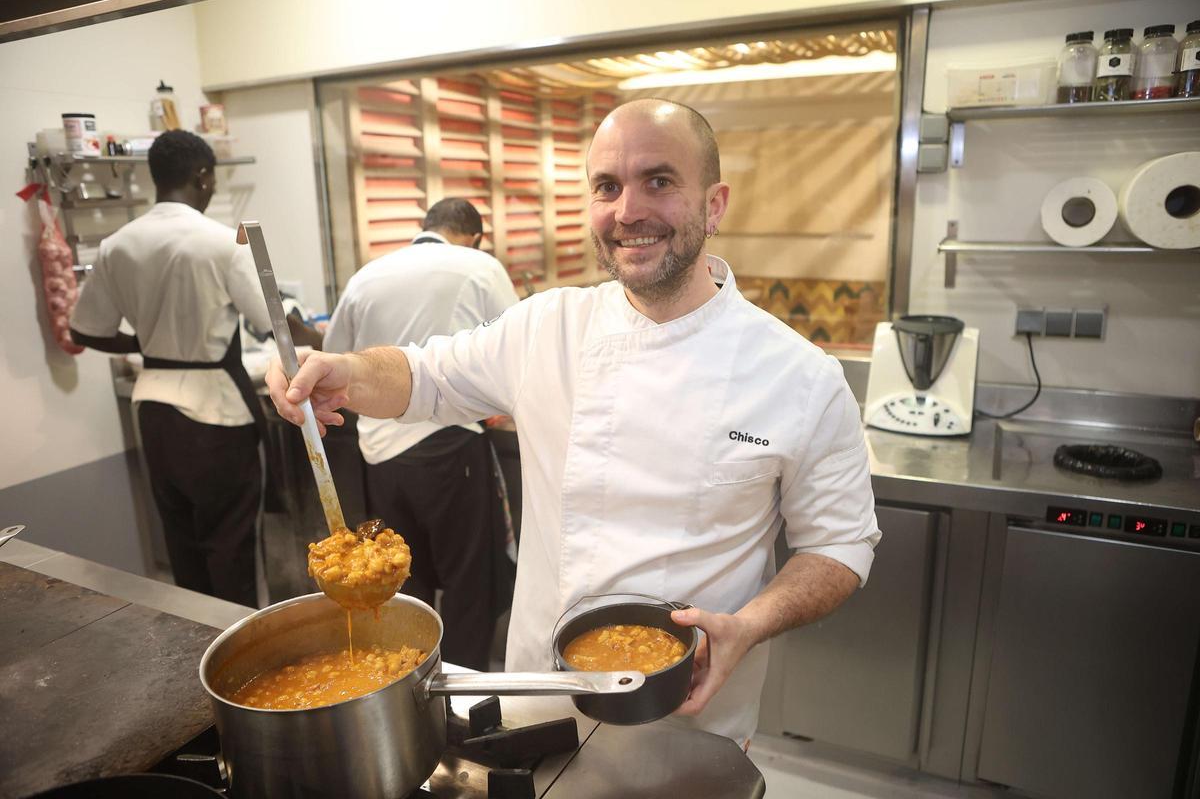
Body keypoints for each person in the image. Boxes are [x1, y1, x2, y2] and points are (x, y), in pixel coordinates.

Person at [267, 99, 881, 746]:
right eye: (607, 187)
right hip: (540, 701)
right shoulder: (547, 327)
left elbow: (838, 545)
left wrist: (751, 624)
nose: (628, 212)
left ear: (715, 204)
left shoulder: (800, 376)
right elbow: (425, 376)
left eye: (660, 182)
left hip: (692, 716)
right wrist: (344, 371)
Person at [70, 130, 270, 607]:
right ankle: (242, 670)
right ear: (203, 177)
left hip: (154, 409)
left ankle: (195, 662)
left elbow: (84, 331)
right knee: (231, 550)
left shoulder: (117, 245)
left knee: (184, 549)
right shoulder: (225, 242)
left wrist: (142, 341)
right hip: (216, 415)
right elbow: (272, 325)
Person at [321, 198, 519, 670]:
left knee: (403, 581)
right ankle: (465, 696)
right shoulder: (479, 266)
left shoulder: (367, 276)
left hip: (380, 456)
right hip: (452, 451)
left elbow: (333, 357)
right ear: (474, 235)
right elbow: (518, 354)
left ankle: (408, 683)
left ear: (426, 228)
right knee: (469, 585)